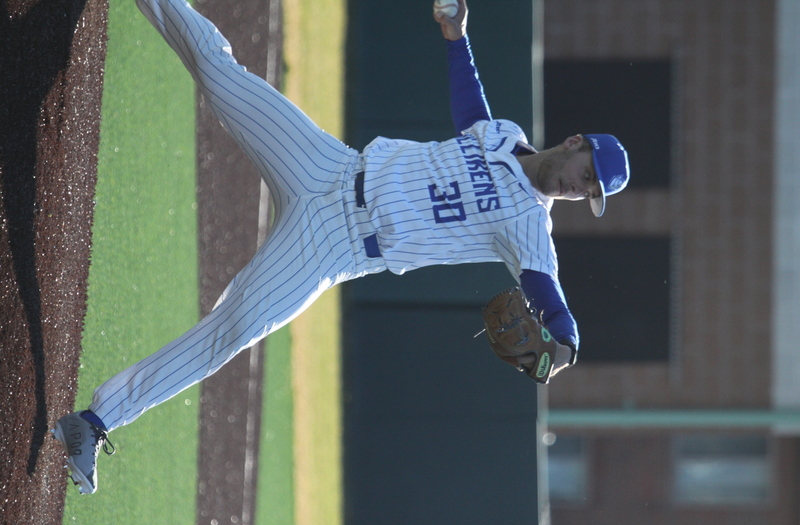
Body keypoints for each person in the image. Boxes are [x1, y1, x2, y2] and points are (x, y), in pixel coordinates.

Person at [53, 0, 629, 494]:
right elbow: (472, 112)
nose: (579, 188)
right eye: (587, 174)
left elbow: (547, 294)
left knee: (232, 328)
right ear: (575, 142)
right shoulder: (505, 136)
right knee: (221, 72)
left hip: (334, 245)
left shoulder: (530, 228)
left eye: (589, 192)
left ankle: (96, 420)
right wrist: (457, 37)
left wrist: (568, 344)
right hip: (328, 165)